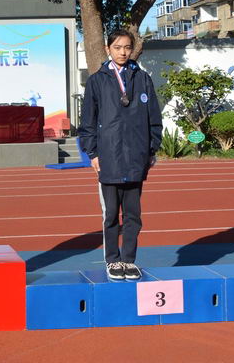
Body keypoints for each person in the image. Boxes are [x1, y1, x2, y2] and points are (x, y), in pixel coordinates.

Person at [78, 29, 162, 281]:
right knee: (111, 214)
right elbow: (88, 121)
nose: (123, 52)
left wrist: (152, 148)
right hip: (109, 156)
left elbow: (154, 118)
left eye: (127, 47)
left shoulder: (142, 78)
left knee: (134, 215)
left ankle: (129, 260)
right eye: (117, 47)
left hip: (136, 156)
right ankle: (113, 260)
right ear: (108, 49)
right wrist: (92, 153)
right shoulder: (97, 80)